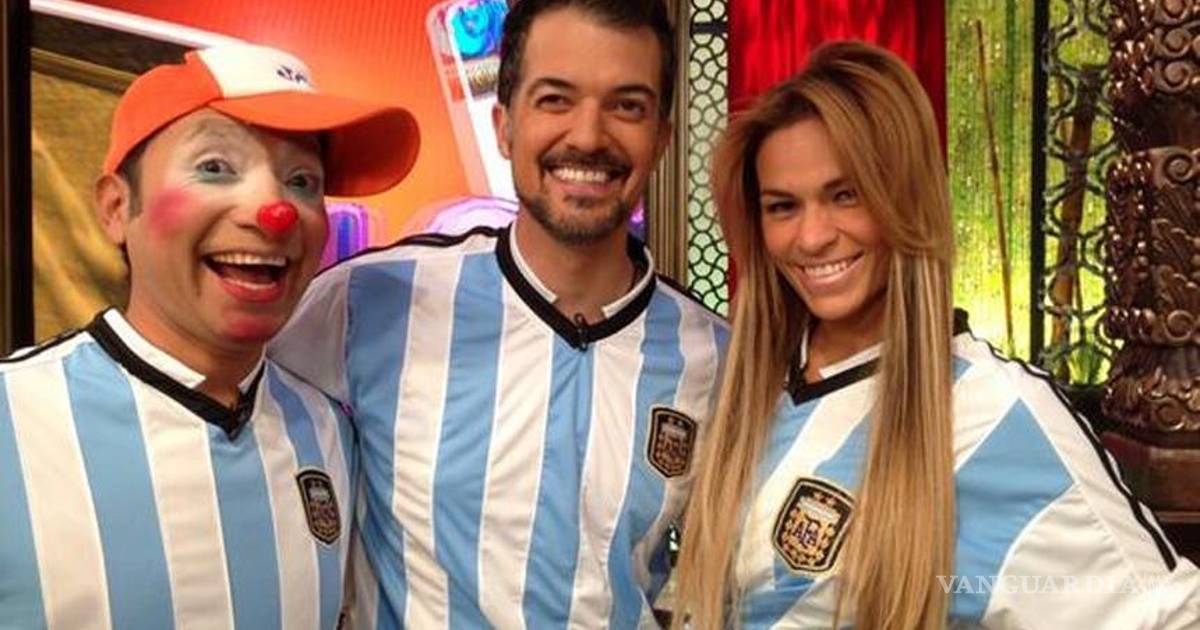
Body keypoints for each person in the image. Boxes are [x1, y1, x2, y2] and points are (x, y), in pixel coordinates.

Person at [670, 41, 1200, 629]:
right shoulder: (744, 383)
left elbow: (1163, 615)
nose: (812, 236)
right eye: (782, 207)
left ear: (905, 196)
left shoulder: (990, 410)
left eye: (846, 195)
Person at [270, 0, 728, 627]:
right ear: (505, 126)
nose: (588, 136)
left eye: (627, 106)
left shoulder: (713, 357)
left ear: (662, 139)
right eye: (555, 100)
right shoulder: (369, 302)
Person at [0, 43, 418, 629]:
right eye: (216, 167)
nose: (274, 211)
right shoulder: (13, 418)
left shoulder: (327, 431)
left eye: (303, 181)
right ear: (117, 207)